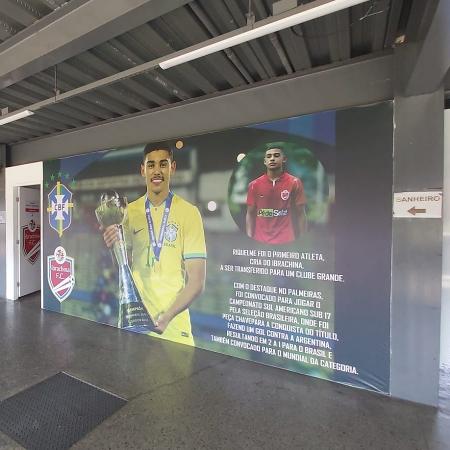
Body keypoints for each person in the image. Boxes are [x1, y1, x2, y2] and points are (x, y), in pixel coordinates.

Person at [103, 141, 207, 346]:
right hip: (134, 320)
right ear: (143, 170)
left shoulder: (189, 213)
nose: (156, 171)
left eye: (163, 164)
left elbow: (197, 282)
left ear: (172, 168)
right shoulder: (128, 212)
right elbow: (122, 271)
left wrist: (166, 317)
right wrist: (113, 248)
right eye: (151, 165)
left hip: (175, 328)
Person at [246, 145, 307, 244]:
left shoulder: (294, 182)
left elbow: (301, 213)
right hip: (260, 241)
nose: (272, 159)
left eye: (276, 155)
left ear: (284, 159)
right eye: (269, 156)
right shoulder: (254, 185)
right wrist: (249, 239)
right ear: (265, 161)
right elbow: (250, 213)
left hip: (287, 240)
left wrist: (302, 239)